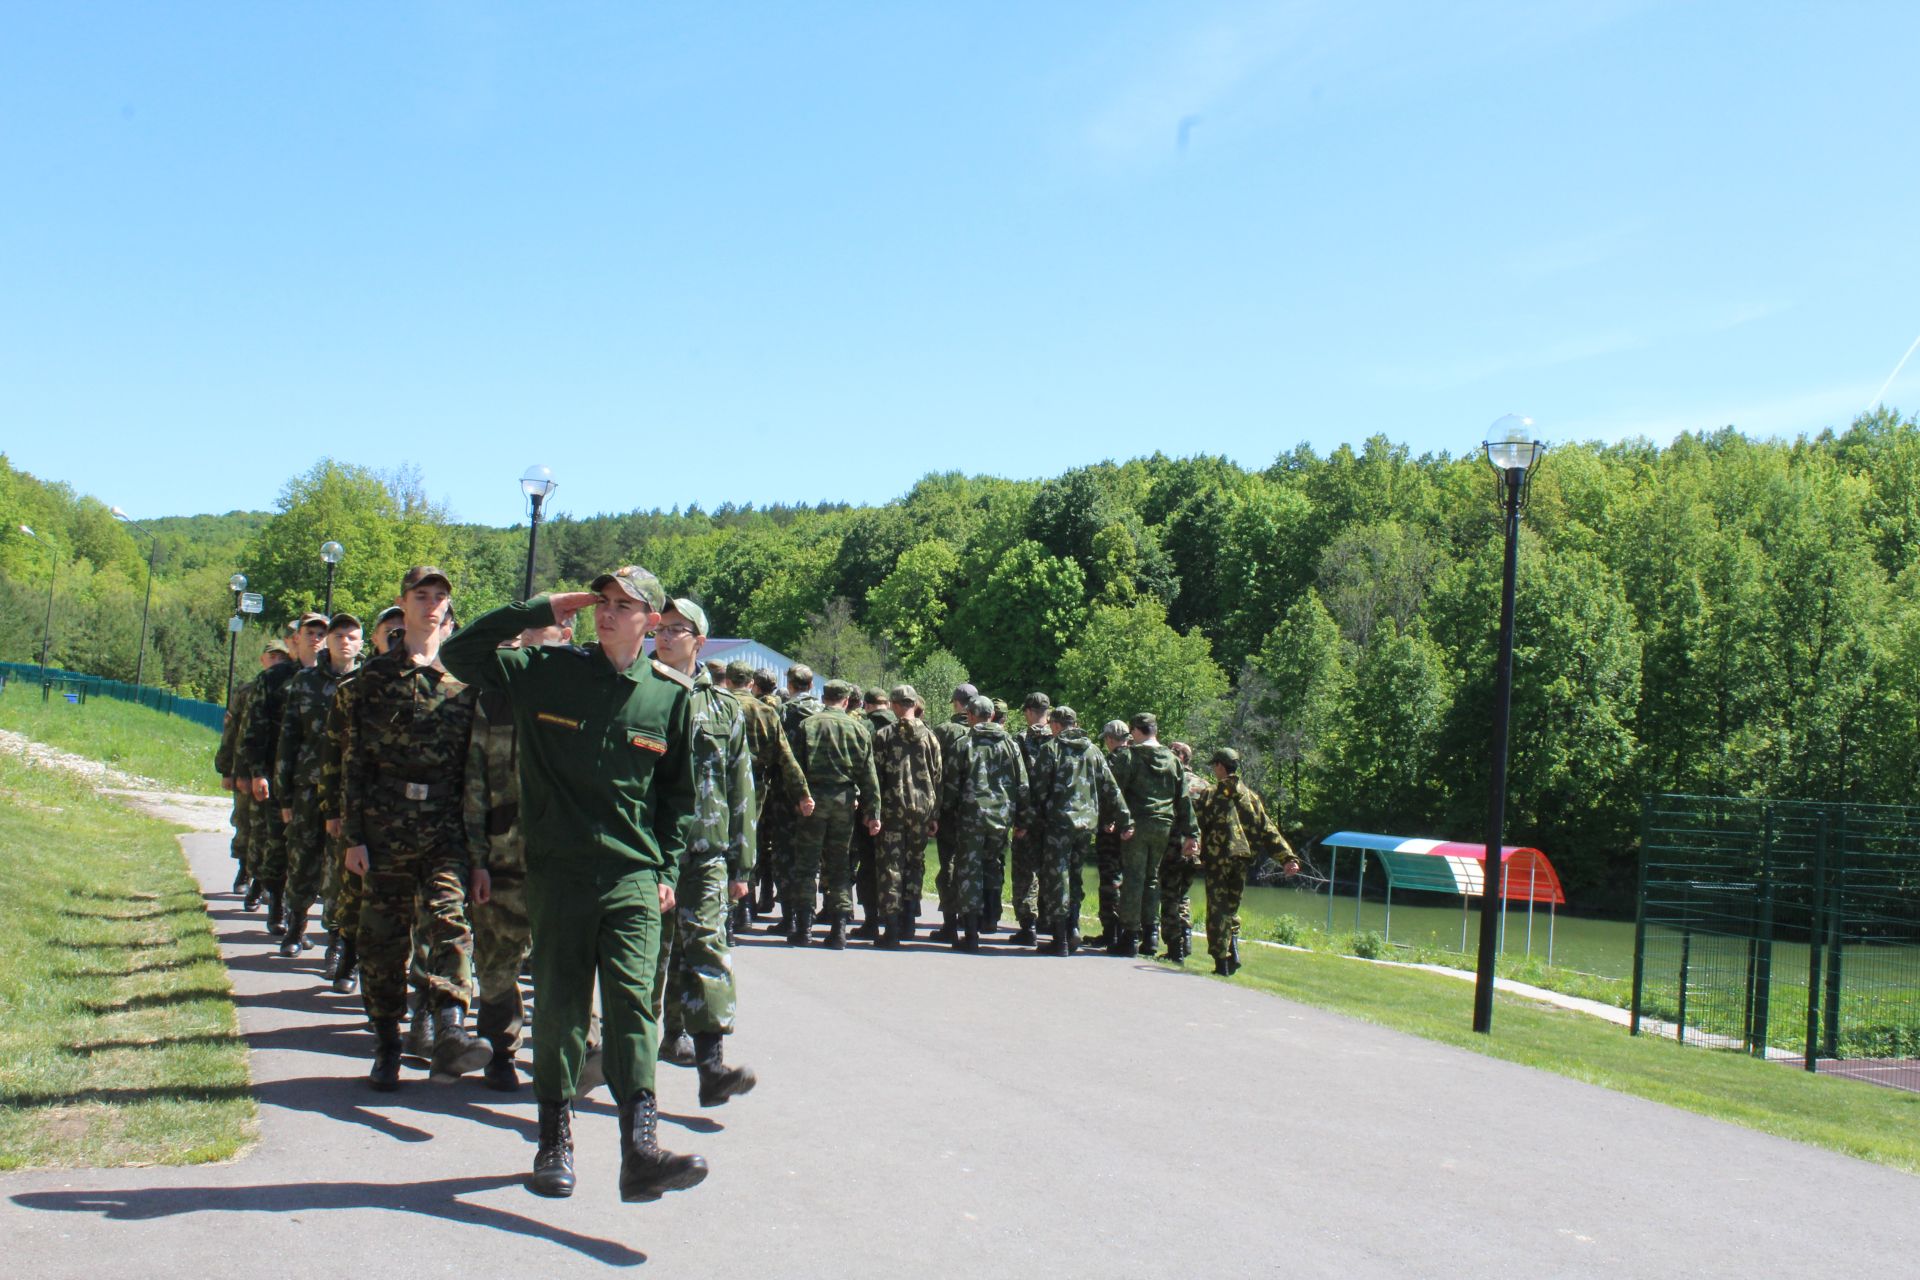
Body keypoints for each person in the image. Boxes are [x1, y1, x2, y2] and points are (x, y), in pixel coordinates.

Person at [440, 565, 708, 1202]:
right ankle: (553, 1139)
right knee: (560, 1009)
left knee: (633, 1007)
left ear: (651, 620)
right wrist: (539, 608)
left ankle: (639, 1148)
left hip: (633, 877)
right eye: (602, 603)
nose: (607, 613)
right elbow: (460, 653)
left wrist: (667, 869)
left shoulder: (667, 696)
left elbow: (676, 798)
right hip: (559, 876)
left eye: (624, 605)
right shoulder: (547, 673)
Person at [341, 568, 487, 1089]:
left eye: (440, 597)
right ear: (402, 604)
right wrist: (353, 836)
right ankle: (386, 1044)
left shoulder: (466, 680)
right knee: (381, 942)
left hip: (445, 826)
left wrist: (477, 849)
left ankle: (450, 1026)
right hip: (385, 827)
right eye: (421, 596)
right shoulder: (374, 678)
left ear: (448, 610)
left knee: (450, 922)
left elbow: (475, 769)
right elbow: (355, 760)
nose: (431, 605)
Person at [646, 600, 758, 1105]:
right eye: (660, 629)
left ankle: (712, 1067)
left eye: (677, 630)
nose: (665, 637)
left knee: (708, 950)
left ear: (699, 639)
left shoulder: (724, 707)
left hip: (706, 853)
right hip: (646, 853)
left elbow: (742, 787)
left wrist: (742, 863)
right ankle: (635, 1065)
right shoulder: (638, 692)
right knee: (649, 961)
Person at [463, 618, 571, 1091]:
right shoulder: (496, 695)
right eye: (535, 624)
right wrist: (476, 859)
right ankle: (500, 1052)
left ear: (568, 634)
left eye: (556, 624)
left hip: (563, 856)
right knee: (496, 961)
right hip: (503, 852)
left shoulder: (579, 694)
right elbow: (475, 781)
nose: (541, 631)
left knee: (564, 962)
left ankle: (569, 1055)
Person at [318, 606, 404, 994]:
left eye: (404, 631)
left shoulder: (433, 685)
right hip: (361, 809)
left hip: (409, 817)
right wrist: (334, 811)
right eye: (391, 633)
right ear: (376, 638)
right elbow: (334, 753)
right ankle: (346, 953)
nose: (399, 638)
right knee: (354, 892)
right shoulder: (353, 689)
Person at [275, 613, 363, 959]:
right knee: (301, 857)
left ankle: (336, 941)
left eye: (351, 636)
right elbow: (288, 738)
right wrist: (284, 794)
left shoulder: (367, 681)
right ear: (327, 640)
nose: (344, 641)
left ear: (360, 643)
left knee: (340, 867)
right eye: (337, 635)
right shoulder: (305, 682)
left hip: (347, 790)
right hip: (308, 787)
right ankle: (295, 926)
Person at [243, 612, 329, 937]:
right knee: (278, 845)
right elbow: (256, 728)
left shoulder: (333, 677)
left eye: (322, 632)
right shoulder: (275, 678)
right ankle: (277, 904)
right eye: (310, 632)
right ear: (296, 638)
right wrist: (256, 772)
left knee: (311, 854)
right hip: (279, 776)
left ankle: (299, 916)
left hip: (314, 779)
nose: (316, 638)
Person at [787, 679, 882, 949]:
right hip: (844, 801)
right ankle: (839, 929)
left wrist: (799, 797)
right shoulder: (859, 729)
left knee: (806, 864)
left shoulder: (808, 725)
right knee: (839, 865)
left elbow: (795, 766)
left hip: (813, 799)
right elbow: (868, 774)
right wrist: (873, 810)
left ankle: (804, 928)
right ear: (846, 700)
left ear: (823, 696)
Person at [1028, 706, 1131, 955]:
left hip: (1058, 824)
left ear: (1054, 725)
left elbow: (1038, 790)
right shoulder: (1093, 752)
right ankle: (1073, 926)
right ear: (1075, 723)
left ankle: (1060, 937)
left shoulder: (1050, 750)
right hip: (1086, 826)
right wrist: (1125, 820)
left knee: (1057, 877)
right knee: (1075, 875)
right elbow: (1111, 789)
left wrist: (1030, 819)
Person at [724, 659, 812, 935]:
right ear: (750, 683)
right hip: (756, 787)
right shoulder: (767, 712)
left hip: (719, 785)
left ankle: (733, 914)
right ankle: (748, 909)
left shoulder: (719, 706)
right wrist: (802, 792)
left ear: (728, 681)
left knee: (723, 847)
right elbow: (786, 757)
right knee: (751, 845)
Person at [1194, 748, 1298, 975]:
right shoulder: (1250, 797)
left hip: (1217, 860)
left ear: (1221, 766)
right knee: (1231, 908)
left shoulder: (1210, 795)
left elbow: (1197, 826)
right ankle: (1233, 949)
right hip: (1241, 860)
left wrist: (1193, 853)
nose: (1213, 769)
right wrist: (1287, 858)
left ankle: (1221, 961)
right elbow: (1268, 831)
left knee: (1217, 909)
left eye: (1214, 765)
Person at [939, 694, 1029, 951]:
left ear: (970, 716)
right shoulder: (1010, 744)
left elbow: (952, 783)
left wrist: (946, 812)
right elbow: (1022, 785)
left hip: (971, 817)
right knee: (991, 867)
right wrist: (1022, 818)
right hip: (1001, 818)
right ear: (991, 716)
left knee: (968, 871)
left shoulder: (964, 743)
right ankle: (989, 919)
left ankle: (970, 933)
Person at [1109, 713, 1197, 959]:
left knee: (1134, 879)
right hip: (1164, 826)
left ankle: (1129, 937)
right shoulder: (1173, 760)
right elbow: (1183, 799)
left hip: (1137, 823)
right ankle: (1151, 937)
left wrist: (1117, 820)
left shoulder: (1130, 757)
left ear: (1136, 731)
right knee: (1151, 879)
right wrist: (1191, 833)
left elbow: (1116, 792)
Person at [217, 642, 290, 898]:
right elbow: (234, 733)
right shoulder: (247, 691)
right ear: (262, 659)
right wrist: (228, 770)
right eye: (273, 656)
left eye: (282, 656)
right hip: (245, 768)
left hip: (273, 772)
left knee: (266, 830)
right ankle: (244, 871)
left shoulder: (288, 687)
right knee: (245, 823)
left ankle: (263, 881)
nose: (277, 661)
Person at [872, 684, 941, 947]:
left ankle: (891, 929)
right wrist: (935, 813)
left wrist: (873, 810)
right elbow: (937, 777)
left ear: (896, 705)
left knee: (890, 867)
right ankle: (909, 922)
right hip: (922, 810)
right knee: (915, 863)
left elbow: (875, 776)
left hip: (891, 809)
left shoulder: (883, 735)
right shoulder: (931, 737)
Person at [928, 683, 976, 942]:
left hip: (948, 808)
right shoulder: (988, 732)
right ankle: (974, 921)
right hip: (979, 812)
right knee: (974, 864)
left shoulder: (944, 731)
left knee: (949, 863)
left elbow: (933, 770)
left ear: (956, 702)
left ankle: (950, 923)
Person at [1009, 692, 1054, 945]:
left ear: (1028, 711)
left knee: (1026, 872)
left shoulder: (1019, 740)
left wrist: (1020, 817)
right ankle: (1051, 920)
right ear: (1047, 712)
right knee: (1052, 869)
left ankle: (1029, 926)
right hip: (1055, 817)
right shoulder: (1059, 740)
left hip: (1028, 814)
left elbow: (1017, 782)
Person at [1158, 741, 1207, 964]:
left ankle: (1174, 948)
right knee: (1182, 895)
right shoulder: (1205, 785)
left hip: (1173, 847)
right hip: (1195, 850)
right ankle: (1186, 937)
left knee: (1170, 896)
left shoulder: (1169, 780)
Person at [1086, 719, 1131, 947]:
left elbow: (1108, 794)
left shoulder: (1112, 761)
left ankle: (1111, 932)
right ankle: (1127, 931)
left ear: (1111, 739)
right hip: (1131, 828)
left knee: (1110, 880)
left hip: (1111, 829)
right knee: (1126, 880)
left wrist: (1105, 820)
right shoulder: (1136, 759)